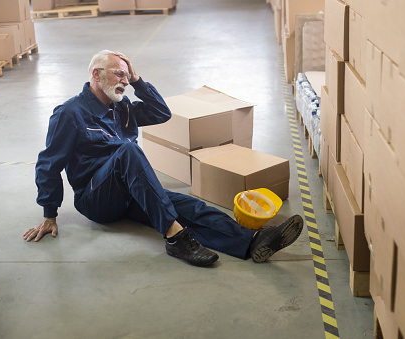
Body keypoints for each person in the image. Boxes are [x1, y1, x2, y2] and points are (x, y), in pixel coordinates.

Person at [23, 50, 304, 267]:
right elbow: (48, 164)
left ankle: (253, 242)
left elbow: (162, 113)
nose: (123, 81)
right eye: (118, 74)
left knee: (191, 206)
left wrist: (137, 80)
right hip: (95, 199)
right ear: (96, 75)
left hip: (129, 190)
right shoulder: (70, 113)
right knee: (128, 150)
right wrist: (49, 214)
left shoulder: (122, 108)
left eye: (125, 76)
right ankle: (175, 239)